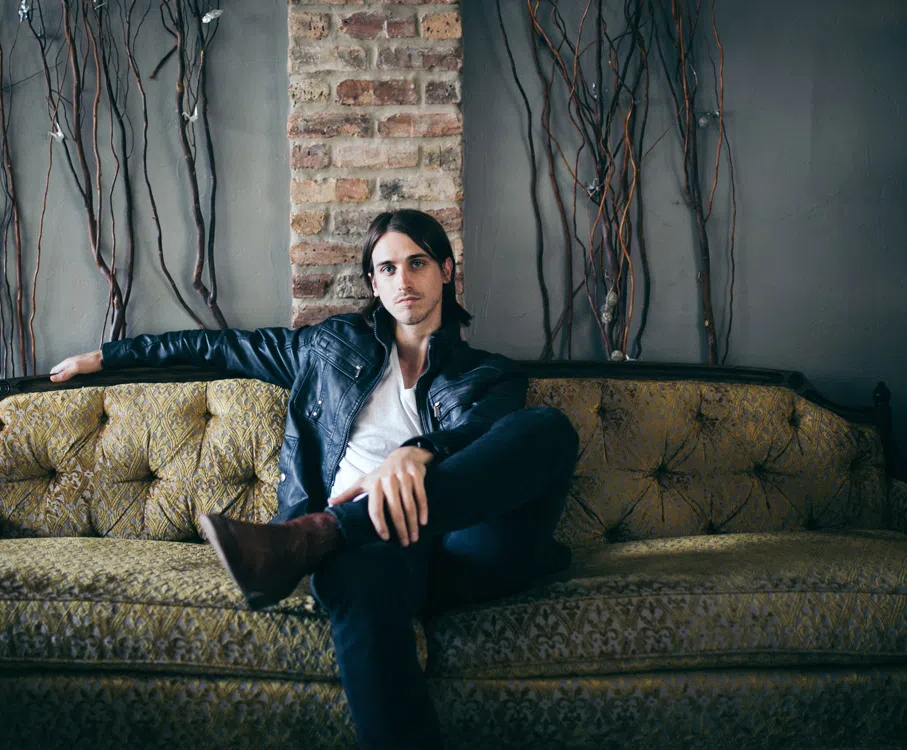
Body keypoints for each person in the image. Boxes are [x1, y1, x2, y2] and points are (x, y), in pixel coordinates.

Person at [49, 209, 579, 750]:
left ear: (445, 270)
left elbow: (484, 440)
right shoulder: (327, 348)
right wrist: (106, 356)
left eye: (417, 263)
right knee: (358, 576)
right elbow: (219, 347)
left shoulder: (490, 374)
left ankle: (320, 533)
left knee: (547, 427)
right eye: (388, 268)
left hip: (461, 550)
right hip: (375, 559)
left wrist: (417, 451)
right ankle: (336, 535)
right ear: (373, 283)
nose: (403, 280)